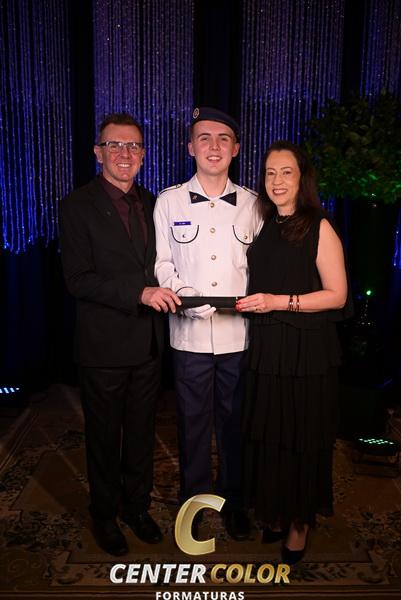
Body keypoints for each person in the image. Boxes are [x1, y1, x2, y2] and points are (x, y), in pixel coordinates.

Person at [59, 113, 180, 556]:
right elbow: (78, 280)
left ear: (143, 155)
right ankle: (105, 515)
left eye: (133, 146)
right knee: (105, 438)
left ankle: (137, 508)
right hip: (103, 346)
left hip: (148, 343)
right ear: (98, 152)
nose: (124, 154)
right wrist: (140, 292)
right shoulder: (76, 206)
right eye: (115, 145)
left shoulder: (154, 203)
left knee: (142, 433)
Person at [236, 141, 351, 564]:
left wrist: (276, 302)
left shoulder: (320, 225)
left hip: (306, 352)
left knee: (302, 438)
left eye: (286, 172)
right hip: (268, 347)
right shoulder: (266, 222)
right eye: (270, 173)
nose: (277, 181)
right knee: (272, 434)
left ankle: (299, 524)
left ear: (303, 179)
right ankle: (276, 511)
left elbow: (337, 295)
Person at [154, 107, 260, 540]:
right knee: (193, 425)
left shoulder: (255, 203)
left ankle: (235, 503)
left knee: (236, 424)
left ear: (235, 149)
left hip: (240, 337)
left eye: (223, 139)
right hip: (189, 335)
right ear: (190, 147)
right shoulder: (169, 201)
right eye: (204, 138)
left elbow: (262, 268)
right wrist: (185, 296)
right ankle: (195, 503)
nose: (213, 147)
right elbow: (161, 263)